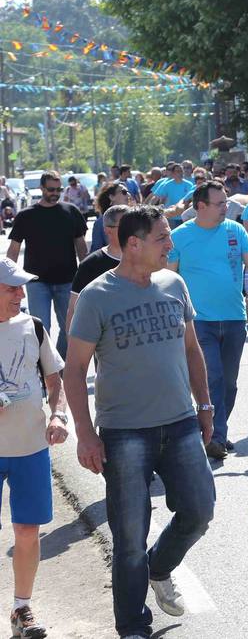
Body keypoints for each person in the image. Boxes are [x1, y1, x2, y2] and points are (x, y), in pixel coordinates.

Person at [65, 206, 216, 639]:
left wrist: (204, 407)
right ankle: (133, 625)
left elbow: (191, 349)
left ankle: (161, 566)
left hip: (182, 422)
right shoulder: (97, 295)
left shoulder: (174, 283)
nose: (171, 244)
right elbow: (75, 369)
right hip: (125, 431)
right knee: (130, 535)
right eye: (163, 238)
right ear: (134, 245)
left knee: (200, 510)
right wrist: (85, 434)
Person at [167, 181, 248, 460]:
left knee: (230, 382)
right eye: (220, 203)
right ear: (200, 207)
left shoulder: (235, 230)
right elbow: (168, 277)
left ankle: (215, 429)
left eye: (226, 202)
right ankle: (216, 436)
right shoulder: (179, 236)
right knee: (212, 377)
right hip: (198, 321)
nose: (227, 207)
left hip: (234, 317)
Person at [0, 258, 69, 639]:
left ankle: (21, 608)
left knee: (28, 531)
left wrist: (59, 416)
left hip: (29, 448)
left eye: (21, 286)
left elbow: (54, 380)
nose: (21, 294)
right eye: (11, 287)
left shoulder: (34, 326)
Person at [6, 171, 87, 357]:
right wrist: (9, 279)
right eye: (51, 189)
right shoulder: (26, 216)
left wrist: (86, 275)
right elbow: (13, 250)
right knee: (41, 329)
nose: (55, 193)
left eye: (59, 189)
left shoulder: (71, 211)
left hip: (68, 280)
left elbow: (81, 248)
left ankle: (58, 365)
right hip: (36, 282)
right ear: (41, 188)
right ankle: (46, 369)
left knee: (70, 329)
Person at [68, 205, 130, 334]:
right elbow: (74, 310)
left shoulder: (146, 258)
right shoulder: (90, 265)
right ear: (108, 231)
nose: (133, 230)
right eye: (127, 226)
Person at [90, 181, 131, 254]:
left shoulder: (136, 219)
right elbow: (96, 252)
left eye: (128, 192)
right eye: (124, 192)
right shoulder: (100, 223)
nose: (128, 195)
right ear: (112, 197)